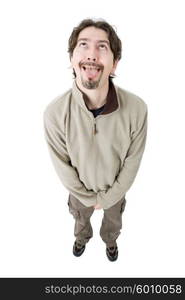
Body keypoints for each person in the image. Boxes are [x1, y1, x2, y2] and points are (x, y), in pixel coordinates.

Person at [43, 18, 148, 262]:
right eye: (83, 45)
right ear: (72, 59)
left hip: (116, 192)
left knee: (113, 223)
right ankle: (82, 238)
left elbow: (133, 163)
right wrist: (90, 199)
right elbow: (63, 168)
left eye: (102, 47)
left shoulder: (137, 109)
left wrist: (107, 199)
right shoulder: (54, 113)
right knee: (80, 221)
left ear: (114, 63)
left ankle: (110, 242)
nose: (91, 54)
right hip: (79, 194)